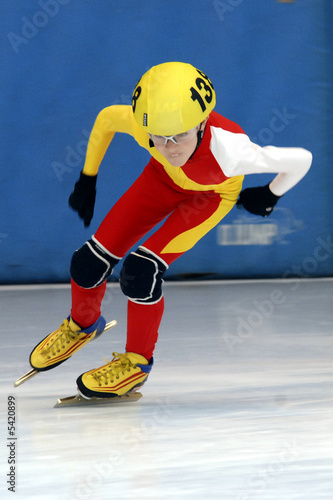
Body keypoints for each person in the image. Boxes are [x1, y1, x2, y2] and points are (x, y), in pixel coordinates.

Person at [29, 62, 312, 399]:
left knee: (141, 272)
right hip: (161, 180)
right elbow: (106, 119)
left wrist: (270, 194)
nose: (170, 146)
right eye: (159, 138)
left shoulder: (231, 152)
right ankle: (83, 324)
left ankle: (136, 364)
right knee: (87, 261)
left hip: (209, 197)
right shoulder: (144, 127)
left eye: (180, 136)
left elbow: (302, 160)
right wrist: (87, 179)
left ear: (202, 124)